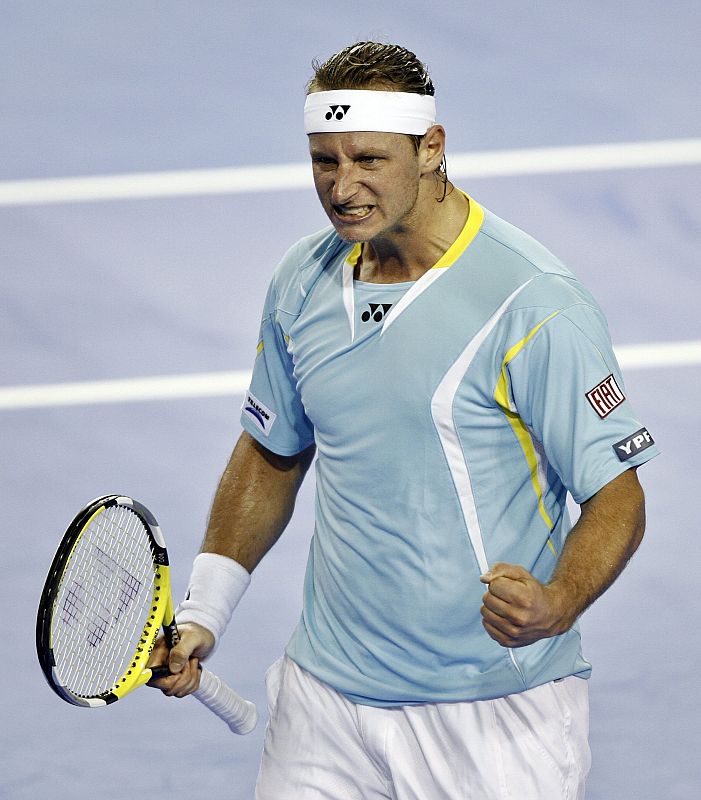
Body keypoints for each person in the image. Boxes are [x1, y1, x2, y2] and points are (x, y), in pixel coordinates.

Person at [149, 41, 659, 799]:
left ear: (431, 150)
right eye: (324, 160)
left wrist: (556, 604)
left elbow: (617, 496)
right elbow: (270, 452)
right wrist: (203, 613)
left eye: (368, 160)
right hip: (323, 703)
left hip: (490, 715)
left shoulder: (533, 302)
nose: (342, 187)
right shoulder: (302, 280)